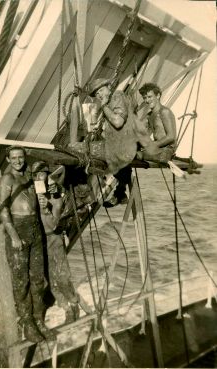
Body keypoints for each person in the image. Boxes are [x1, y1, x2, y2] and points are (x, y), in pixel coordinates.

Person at [0, 146, 56, 343]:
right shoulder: (8, 179)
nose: (17, 161)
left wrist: (48, 195)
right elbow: (3, 210)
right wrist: (13, 235)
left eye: (20, 157)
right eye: (13, 158)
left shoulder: (31, 178)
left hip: (34, 228)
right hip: (18, 228)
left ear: (25, 158)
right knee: (21, 282)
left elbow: (42, 202)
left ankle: (39, 320)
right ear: (8, 159)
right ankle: (27, 323)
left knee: (38, 278)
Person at [32, 161, 80, 324]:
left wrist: (50, 201)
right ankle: (65, 307)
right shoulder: (33, 193)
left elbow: (57, 212)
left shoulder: (54, 194)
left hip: (54, 238)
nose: (40, 178)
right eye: (37, 176)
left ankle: (73, 304)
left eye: (43, 175)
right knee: (50, 279)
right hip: (40, 241)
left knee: (62, 275)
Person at [87, 78, 138, 207]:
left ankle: (115, 193)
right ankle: (120, 193)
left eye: (101, 90)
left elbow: (118, 122)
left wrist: (103, 106)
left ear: (109, 87)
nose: (100, 95)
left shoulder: (117, 96)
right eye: (97, 94)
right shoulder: (109, 102)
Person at [138, 83, 177, 162]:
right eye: (144, 98)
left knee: (137, 155)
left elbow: (171, 136)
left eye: (150, 97)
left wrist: (153, 145)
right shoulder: (149, 116)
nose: (147, 100)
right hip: (157, 149)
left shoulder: (164, 112)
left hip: (167, 149)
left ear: (158, 96)